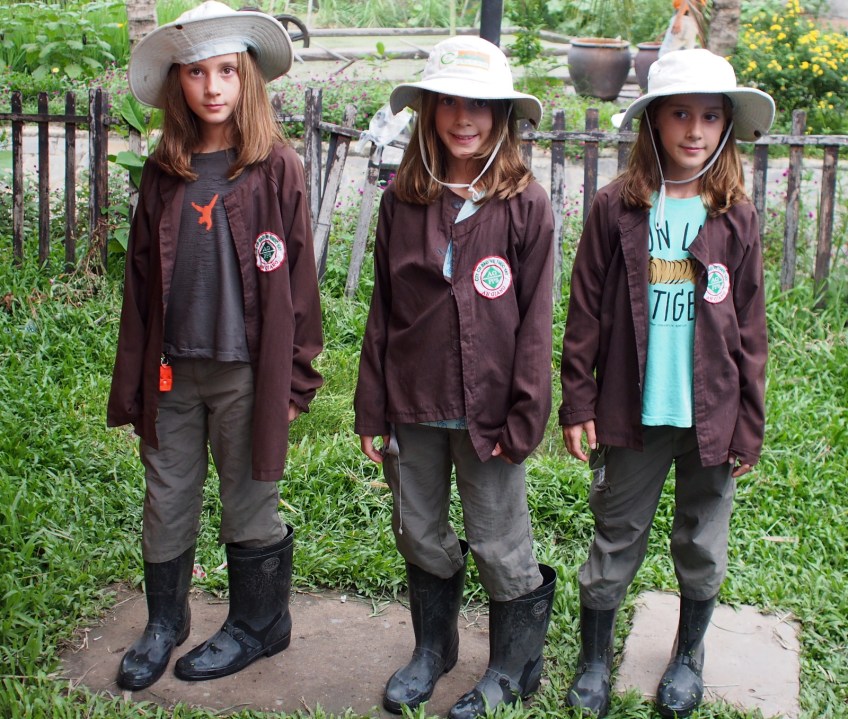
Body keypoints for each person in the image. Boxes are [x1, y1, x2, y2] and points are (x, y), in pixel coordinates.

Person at [107, 0, 323, 690]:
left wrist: (296, 377)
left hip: (246, 372)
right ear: (178, 82)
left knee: (249, 497)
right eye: (196, 72)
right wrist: (135, 381)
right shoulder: (163, 170)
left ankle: (260, 622)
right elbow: (140, 285)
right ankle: (165, 620)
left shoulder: (275, 166)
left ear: (247, 76)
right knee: (166, 496)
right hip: (172, 371)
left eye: (226, 70)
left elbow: (299, 277)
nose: (212, 86)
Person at [559, 48, 775, 718]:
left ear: (726, 125)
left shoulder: (735, 216)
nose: (695, 130)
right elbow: (585, 313)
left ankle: (688, 654)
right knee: (616, 534)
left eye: (710, 116)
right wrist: (578, 399)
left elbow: (751, 329)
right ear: (653, 120)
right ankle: (595, 661)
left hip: (711, 414)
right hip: (634, 411)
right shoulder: (616, 209)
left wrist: (748, 421)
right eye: (680, 114)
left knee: (701, 541)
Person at [354, 35, 557, 719]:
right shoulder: (404, 203)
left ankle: (513, 666)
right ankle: (432, 649)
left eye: (481, 105)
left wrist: (525, 415)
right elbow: (384, 310)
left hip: (490, 413)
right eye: (449, 103)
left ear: (503, 116)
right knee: (418, 529)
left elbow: (535, 324)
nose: (464, 118)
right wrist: (371, 408)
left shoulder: (526, 205)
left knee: (499, 538)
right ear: (428, 112)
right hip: (413, 401)